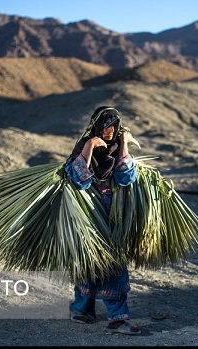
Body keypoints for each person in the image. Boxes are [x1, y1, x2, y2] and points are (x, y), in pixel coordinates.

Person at [64, 106, 141, 335]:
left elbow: (125, 177)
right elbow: (79, 180)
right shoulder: (83, 145)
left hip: (114, 214)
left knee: (114, 264)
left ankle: (117, 318)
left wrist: (124, 144)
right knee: (87, 261)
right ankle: (81, 310)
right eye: (106, 125)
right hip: (88, 213)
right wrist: (88, 148)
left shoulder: (118, 147)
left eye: (115, 126)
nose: (110, 130)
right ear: (97, 125)